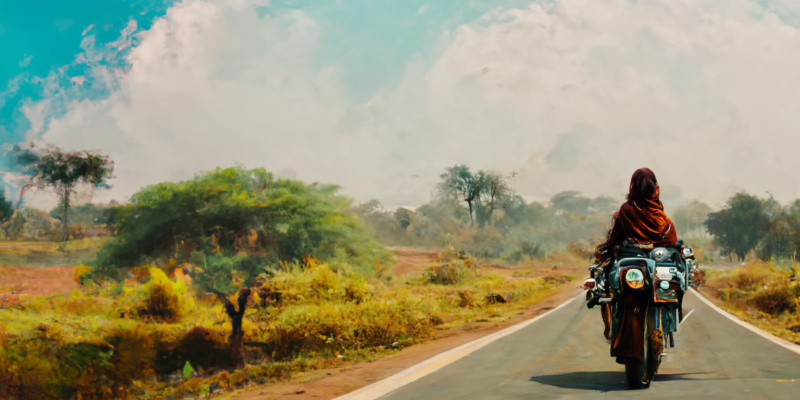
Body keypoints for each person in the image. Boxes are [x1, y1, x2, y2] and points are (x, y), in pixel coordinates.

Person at [592, 167, 678, 342]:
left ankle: (609, 326)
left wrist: (608, 249)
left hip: (629, 263)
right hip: (656, 264)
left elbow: (615, 238)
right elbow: (670, 239)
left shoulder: (627, 209)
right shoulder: (660, 212)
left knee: (607, 285)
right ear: (655, 188)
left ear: (633, 186)